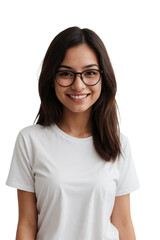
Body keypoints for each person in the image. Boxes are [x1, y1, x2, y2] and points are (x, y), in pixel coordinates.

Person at [6, 26, 140, 240]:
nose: (79, 85)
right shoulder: (30, 141)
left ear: (103, 78)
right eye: (66, 74)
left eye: (90, 73)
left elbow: (123, 223)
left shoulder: (118, 144)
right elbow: (27, 224)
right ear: (52, 78)